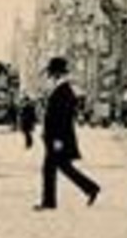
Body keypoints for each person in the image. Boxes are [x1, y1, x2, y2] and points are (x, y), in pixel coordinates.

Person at [37, 56, 100, 210]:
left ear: (57, 74)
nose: (50, 77)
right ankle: (90, 188)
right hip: (56, 137)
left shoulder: (63, 91)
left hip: (59, 138)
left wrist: (57, 139)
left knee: (53, 168)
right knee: (60, 167)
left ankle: (50, 202)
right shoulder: (61, 90)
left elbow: (62, 119)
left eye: (51, 74)